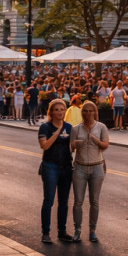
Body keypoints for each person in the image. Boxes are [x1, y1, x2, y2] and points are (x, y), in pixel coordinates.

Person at [68, 101, 109, 243]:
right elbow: (71, 148)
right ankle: (77, 230)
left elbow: (105, 145)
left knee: (95, 201)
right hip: (80, 167)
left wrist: (95, 140)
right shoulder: (76, 129)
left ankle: (92, 230)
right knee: (78, 201)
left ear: (95, 112)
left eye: (91, 111)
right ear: (82, 112)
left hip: (97, 167)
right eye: (85, 111)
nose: (88, 113)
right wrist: (75, 144)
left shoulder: (101, 127)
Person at [37, 99, 76, 243]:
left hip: (66, 167)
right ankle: (45, 232)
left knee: (64, 201)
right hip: (50, 166)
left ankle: (62, 231)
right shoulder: (45, 127)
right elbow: (45, 146)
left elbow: (72, 146)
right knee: (48, 201)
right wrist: (58, 132)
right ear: (51, 112)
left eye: (62, 109)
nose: (60, 112)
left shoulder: (69, 127)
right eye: (57, 109)